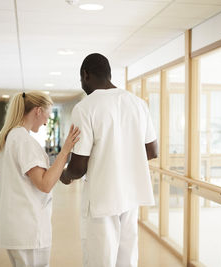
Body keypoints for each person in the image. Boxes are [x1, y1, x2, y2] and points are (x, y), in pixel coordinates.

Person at [60, 53, 158, 267]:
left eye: (81, 80)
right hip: (130, 196)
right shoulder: (138, 104)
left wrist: (63, 175)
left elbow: (78, 167)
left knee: (99, 260)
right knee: (127, 260)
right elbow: (151, 151)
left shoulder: (85, 108)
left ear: (86, 75)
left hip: (101, 199)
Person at [0, 91, 80, 267]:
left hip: (15, 227)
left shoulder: (9, 137)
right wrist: (65, 150)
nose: (48, 121)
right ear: (38, 111)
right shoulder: (23, 140)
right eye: (47, 114)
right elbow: (45, 184)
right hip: (28, 230)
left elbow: (32, 177)